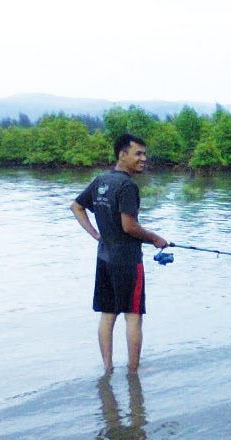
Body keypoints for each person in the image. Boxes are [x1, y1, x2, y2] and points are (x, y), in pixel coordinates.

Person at [71, 133, 168, 373]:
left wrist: (95, 234)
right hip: (126, 261)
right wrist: (156, 238)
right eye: (138, 154)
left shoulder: (101, 181)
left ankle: (108, 369)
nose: (143, 159)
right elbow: (129, 226)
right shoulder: (127, 186)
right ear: (122, 155)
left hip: (104, 258)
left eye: (144, 154)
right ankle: (133, 372)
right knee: (133, 315)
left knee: (108, 315)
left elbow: (76, 206)